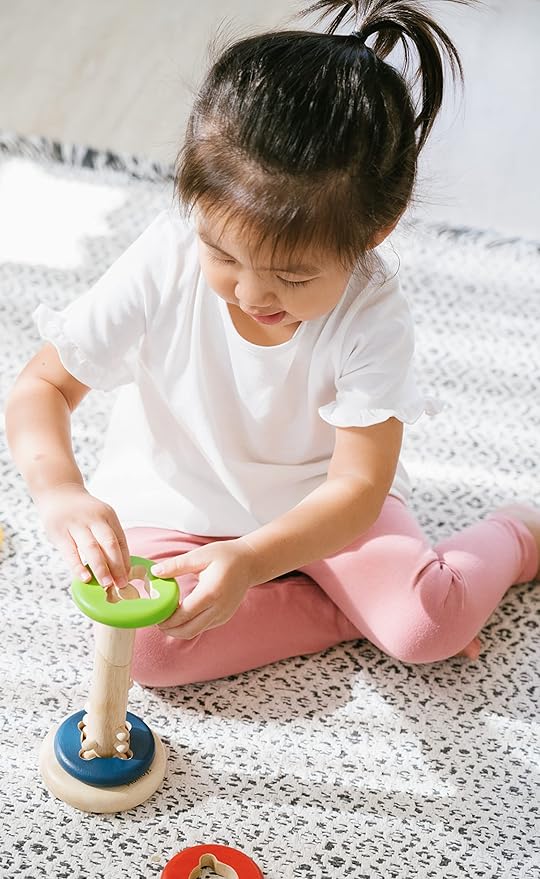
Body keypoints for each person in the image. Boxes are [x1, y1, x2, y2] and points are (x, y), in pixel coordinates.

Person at [5, 0, 539, 688]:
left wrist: (255, 560)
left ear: (375, 231)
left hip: (321, 515)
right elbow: (42, 387)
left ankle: (519, 536)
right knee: (150, 651)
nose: (253, 294)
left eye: (292, 275)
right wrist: (61, 493)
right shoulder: (162, 259)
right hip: (179, 499)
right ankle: (350, 613)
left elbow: (355, 487)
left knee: (427, 626)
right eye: (222, 253)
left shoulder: (372, 314)